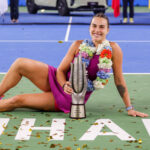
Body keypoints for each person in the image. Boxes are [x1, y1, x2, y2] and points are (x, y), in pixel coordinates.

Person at [0, 13, 148, 117]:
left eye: (101, 27)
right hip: (59, 81)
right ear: (89, 27)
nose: (97, 30)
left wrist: (130, 108)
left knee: (16, 100)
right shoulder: (78, 44)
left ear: (108, 30)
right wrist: (64, 83)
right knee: (20, 63)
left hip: (72, 96)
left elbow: (119, 81)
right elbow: (60, 71)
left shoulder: (114, 49)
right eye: (94, 26)